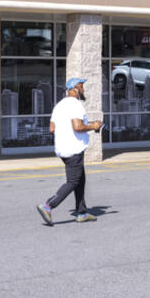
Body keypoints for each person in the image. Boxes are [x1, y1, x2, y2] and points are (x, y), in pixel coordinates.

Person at [37, 77, 101, 226]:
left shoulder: (58, 106)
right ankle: (48, 205)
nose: (83, 90)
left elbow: (52, 129)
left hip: (63, 148)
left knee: (80, 179)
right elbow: (77, 126)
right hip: (74, 149)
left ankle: (82, 212)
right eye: (82, 87)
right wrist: (94, 126)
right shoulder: (75, 105)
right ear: (76, 89)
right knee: (73, 181)